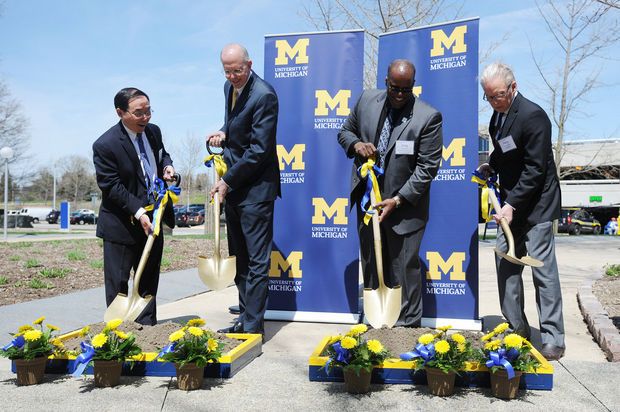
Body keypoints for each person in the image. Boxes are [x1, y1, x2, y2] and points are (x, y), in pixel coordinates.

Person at [337, 59, 443, 328]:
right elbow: (344, 132)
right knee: (372, 265)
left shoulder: (428, 117)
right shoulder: (366, 101)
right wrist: (357, 144)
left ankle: (408, 329)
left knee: (404, 271)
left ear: (413, 87)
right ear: (386, 81)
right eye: (394, 88)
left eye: (405, 90)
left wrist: (397, 199)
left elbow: (427, 169)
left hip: (404, 208)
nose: (398, 95)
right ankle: (377, 325)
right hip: (368, 203)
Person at [478, 62, 566, 360]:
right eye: (488, 96)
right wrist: (493, 165)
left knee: (543, 272)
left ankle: (554, 337)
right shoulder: (497, 118)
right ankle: (516, 327)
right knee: (506, 264)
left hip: (537, 205)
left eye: (498, 95)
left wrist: (512, 205)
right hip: (510, 204)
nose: (493, 101)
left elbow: (534, 169)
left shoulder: (533, 116)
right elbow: (506, 153)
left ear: (512, 88)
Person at [207, 44, 280, 336]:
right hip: (236, 189)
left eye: (237, 70)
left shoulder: (265, 95)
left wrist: (226, 181)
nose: (232, 76)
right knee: (240, 260)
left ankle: (253, 327)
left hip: (256, 191)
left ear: (249, 64)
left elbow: (259, 150)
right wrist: (224, 131)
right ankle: (244, 317)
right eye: (227, 71)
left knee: (257, 260)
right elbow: (237, 123)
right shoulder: (229, 88)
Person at [93, 87, 176, 326]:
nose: (146, 117)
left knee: (149, 280)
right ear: (121, 112)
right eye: (139, 113)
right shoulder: (105, 145)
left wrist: (167, 166)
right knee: (119, 285)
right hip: (121, 224)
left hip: (154, 219)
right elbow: (111, 186)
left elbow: (162, 155)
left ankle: (148, 329)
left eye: (149, 111)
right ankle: (118, 334)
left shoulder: (153, 132)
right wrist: (139, 212)